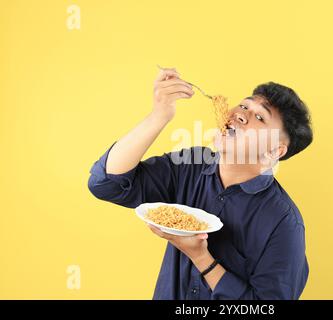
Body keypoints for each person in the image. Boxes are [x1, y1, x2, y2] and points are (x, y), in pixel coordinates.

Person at [88, 66, 313, 299]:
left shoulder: (284, 222)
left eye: (260, 117)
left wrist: (201, 258)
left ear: (274, 151)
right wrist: (159, 115)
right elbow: (107, 184)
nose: (241, 113)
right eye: (245, 105)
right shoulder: (190, 168)